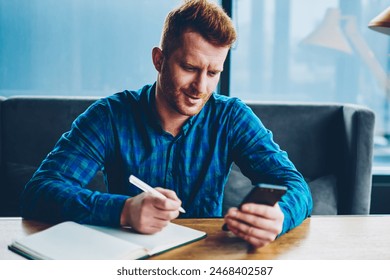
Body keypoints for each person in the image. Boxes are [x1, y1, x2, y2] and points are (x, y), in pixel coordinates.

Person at [21, 0, 312, 248]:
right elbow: (40, 191)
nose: (201, 87)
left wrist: (281, 217)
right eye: (189, 68)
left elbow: (295, 185)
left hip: (207, 260)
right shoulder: (109, 116)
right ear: (159, 60)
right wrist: (123, 211)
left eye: (213, 72)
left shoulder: (231, 117)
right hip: (129, 258)